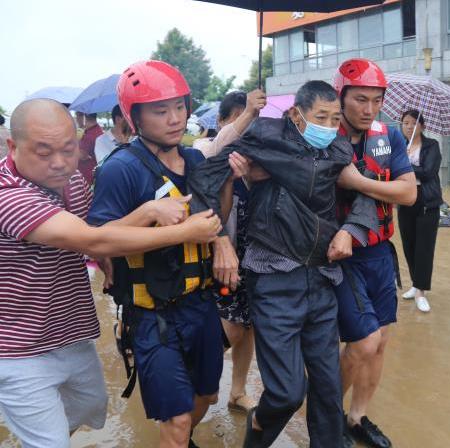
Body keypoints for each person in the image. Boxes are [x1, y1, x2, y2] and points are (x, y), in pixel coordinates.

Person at [0, 98, 221, 448]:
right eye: (43, 152)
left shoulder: (69, 179)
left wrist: (131, 226)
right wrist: (183, 230)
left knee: (88, 411)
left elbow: (101, 232)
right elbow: (94, 238)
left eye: (68, 149)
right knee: (50, 443)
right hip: (18, 349)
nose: (59, 163)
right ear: (13, 146)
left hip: (71, 334)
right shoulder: (8, 197)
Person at [187, 80, 393, 448]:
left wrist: (349, 230)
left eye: (334, 118)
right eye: (321, 118)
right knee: (285, 393)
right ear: (298, 115)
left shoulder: (340, 147)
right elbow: (204, 175)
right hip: (274, 279)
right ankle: (258, 430)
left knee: (329, 391)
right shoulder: (266, 137)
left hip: (323, 276)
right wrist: (219, 240)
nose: (329, 127)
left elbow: (363, 193)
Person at [87, 60, 242, 447]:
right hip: (152, 314)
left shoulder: (196, 161)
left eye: (179, 107)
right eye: (160, 110)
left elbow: (214, 220)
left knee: (206, 395)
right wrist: (150, 214)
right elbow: (98, 240)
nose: (175, 119)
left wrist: (227, 183)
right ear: (133, 116)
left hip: (200, 304)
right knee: (175, 419)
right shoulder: (119, 169)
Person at [333, 58, 417, 448]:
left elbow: (410, 193)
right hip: (340, 254)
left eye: (376, 100)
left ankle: (357, 416)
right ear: (341, 97)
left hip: (380, 251)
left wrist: (356, 181)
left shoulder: (391, 136)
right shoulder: (322, 135)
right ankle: (329, 411)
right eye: (360, 100)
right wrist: (379, 185)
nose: (369, 110)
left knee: (381, 340)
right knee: (363, 342)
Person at [196, 89, 266, 414]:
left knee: (248, 324)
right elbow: (222, 145)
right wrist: (249, 113)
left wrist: (250, 177)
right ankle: (201, 381)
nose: (245, 129)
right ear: (222, 122)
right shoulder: (205, 153)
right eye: (236, 120)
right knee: (229, 326)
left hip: (253, 258)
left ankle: (237, 392)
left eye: (251, 121)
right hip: (219, 257)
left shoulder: (255, 161)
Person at [397, 110, 442, 313]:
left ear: (422, 126)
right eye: (405, 123)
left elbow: (428, 172)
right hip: (405, 200)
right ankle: (415, 283)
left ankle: (421, 292)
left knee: (424, 248)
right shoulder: (399, 145)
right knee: (409, 245)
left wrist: (404, 164)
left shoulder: (432, 145)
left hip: (427, 201)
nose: (408, 126)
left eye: (413, 123)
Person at [77, 112, 102, 184]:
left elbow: (81, 155)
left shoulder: (90, 135)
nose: (77, 119)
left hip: (87, 176)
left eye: (78, 116)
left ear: (84, 117)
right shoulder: (97, 129)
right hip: (93, 173)